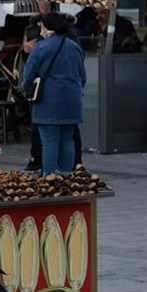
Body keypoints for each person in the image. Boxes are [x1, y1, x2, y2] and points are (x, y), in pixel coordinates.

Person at [24, 12, 86, 175]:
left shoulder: (42, 47)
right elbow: (82, 76)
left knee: (50, 141)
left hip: (48, 100)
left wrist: (26, 88)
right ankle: (66, 175)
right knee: (67, 140)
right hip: (72, 100)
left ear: (46, 27)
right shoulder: (74, 47)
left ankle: (50, 178)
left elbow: (28, 74)